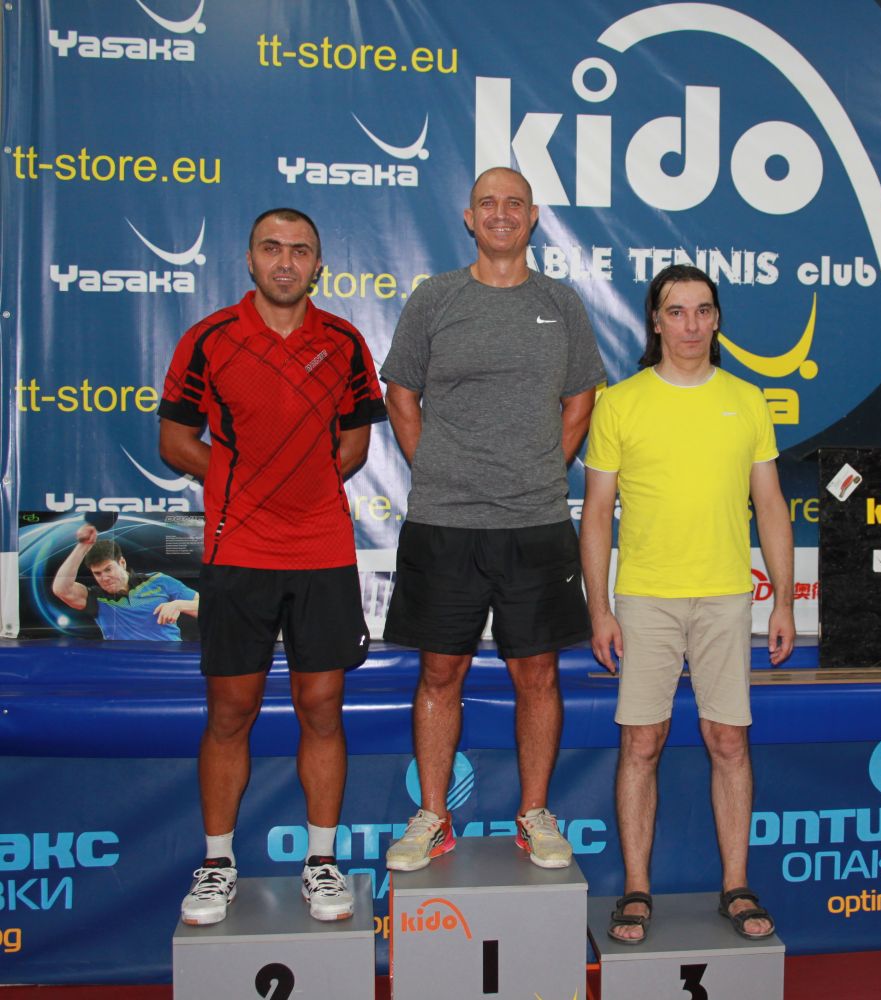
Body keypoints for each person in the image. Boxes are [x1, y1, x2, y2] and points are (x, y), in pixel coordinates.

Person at [158, 207, 386, 925]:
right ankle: (217, 864)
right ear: (251, 259)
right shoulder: (208, 339)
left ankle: (321, 861)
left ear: (317, 265)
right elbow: (174, 441)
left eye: (300, 250)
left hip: (323, 551)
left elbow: (355, 444)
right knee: (231, 711)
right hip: (239, 552)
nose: (286, 262)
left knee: (322, 707)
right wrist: (245, 484)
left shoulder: (345, 341)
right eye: (272, 248)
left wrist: (302, 485)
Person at [380, 167, 606, 872]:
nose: (501, 214)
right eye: (488, 203)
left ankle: (534, 813)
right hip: (444, 520)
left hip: (534, 520)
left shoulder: (560, 302)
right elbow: (401, 394)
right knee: (439, 672)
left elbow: (580, 401)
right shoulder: (436, 298)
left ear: (532, 217)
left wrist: (538, 468)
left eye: (514, 204)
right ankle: (433, 815)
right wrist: (437, 467)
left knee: (536, 674)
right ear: (469, 217)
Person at [580, 264, 794, 944]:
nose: (691, 325)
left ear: (718, 319)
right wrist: (599, 609)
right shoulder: (621, 403)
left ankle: (737, 886)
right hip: (645, 599)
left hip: (726, 596)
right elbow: (596, 514)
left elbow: (770, 504)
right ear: (655, 321)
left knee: (728, 740)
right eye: (677, 311)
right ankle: (635, 890)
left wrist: (783, 601)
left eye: (703, 310)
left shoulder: (747, 401)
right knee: (641, 742)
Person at [52, 523, 198, 640]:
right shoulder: (96, 598)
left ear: (122, 563)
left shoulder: (158, 580)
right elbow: (61, 589)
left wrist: (179, 604)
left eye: (108, 569)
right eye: (97, 573)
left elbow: (205, 607)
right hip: (124, 662)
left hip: (167, 658)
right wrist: (82, 545)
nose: (104, 578)